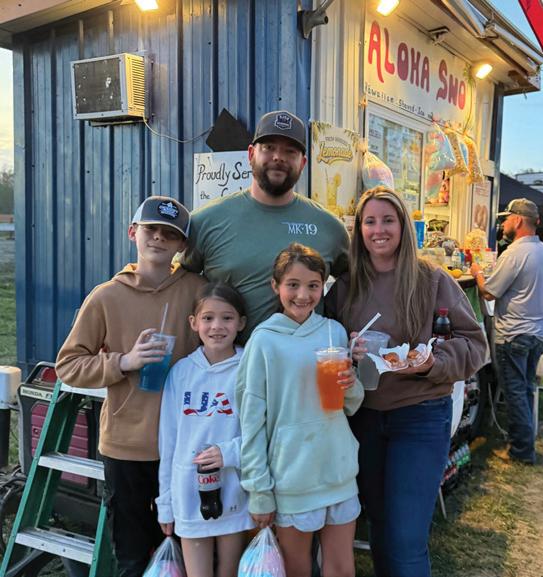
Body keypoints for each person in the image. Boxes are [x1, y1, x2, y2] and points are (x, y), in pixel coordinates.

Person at [325, 187, 487, 577]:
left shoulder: (432, 279)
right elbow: (324, 343)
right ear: (359, 230)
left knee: (406, 539)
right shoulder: (346, 286)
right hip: (363, 419)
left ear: (403, 227)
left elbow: (475, 345)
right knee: (380, 528)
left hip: (420, 416)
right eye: (369, 222)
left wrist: (432, 363)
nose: (378, 230)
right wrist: (345, 351)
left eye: (388, 220)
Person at [55, 196, 206, 577]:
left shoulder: (199, 291)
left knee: (188, 556)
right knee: (133, 558)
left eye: (170, 234)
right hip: (127, 447)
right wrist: (124, 362)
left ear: (182, 245)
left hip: (187, 445)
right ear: (132, 232)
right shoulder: (106, 296)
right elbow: (68, 366)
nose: (159, 238)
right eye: (151, 229)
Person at [237, 243, 364, 577]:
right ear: (275, 286)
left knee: (341, 567)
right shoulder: (263, 341)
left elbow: (351, 405)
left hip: (338, 470)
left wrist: (351, 383)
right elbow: (251, 422)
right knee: (297, 568)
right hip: (292, 478)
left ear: (323, 287)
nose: (303, 295)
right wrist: (259, 491)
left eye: (313, 286)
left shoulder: (333, 332)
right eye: (292, 284)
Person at [181, 110, 350, 342]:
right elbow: (174, 282)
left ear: (303, 163)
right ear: (251, 154)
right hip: (231, 362)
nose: (278, 157)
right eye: (269, 147)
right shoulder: (205, 221)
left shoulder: (330, 228)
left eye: (290, 151)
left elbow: (361, 283)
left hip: (306, 360)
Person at [156, 282, 255, 577]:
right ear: (194, 322)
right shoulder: (181, 372)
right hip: (188, 491)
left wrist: (229, 453)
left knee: (229, 571)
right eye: (208, 318)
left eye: (227, 318)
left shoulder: (249, 368)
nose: (217, 326)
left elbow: (261, 432)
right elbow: (168, 442)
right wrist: (166, 503)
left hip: (234, 490)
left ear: (241, 323)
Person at [471, 197, 543, 465]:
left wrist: (476, 272)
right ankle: (524, 443)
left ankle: (521, 450)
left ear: (518, 220)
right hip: (538, 333)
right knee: (526, 389)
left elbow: (488, 292)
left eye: (507, 219)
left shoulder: (514, 253)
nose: (504, 224)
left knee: (516, 392)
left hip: (514, 334)